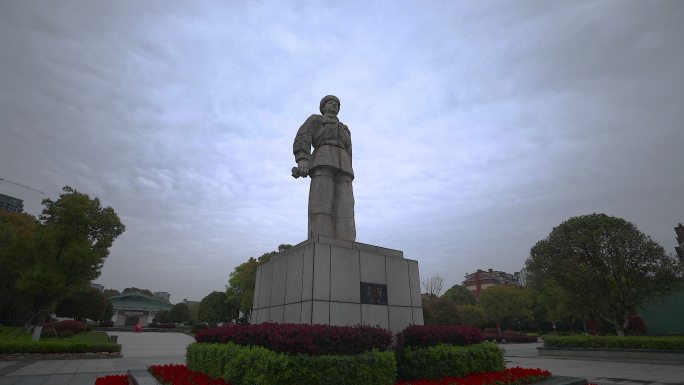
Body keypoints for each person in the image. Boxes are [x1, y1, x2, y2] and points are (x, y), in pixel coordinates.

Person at [292, 95, 356, 241]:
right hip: (323, 159)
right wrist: (303, 159)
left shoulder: (344, 128)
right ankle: (322, 238)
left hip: (344, 165)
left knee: (345, 205)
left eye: (336, 104)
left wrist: (349, 168)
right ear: (323, 107)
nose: (334, 105)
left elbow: (349, 150)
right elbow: (303, 136)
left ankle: (347, 241)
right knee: (322, 202)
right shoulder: (316, 120)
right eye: (330, 103)